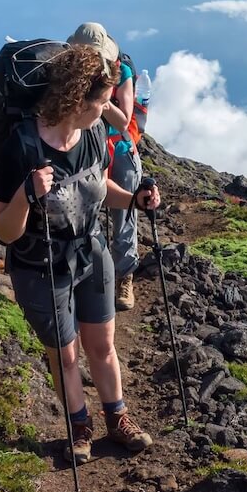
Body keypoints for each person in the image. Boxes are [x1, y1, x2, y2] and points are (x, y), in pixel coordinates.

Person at [0, 45, 157, 464]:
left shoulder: (95, 135)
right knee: (65, 353)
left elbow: (98, 192)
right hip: (39, 264)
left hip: (90, 251)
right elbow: (4, 229)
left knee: (102, 344)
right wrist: (28, 195)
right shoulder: (22, 148)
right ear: (75, 102)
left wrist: (135, 200)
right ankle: (79, 425)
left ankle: (117, 419)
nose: (106, 110)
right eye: (100, 102)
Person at [67, 22, 140, 312]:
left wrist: (101, 96)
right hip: (86, 147)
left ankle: (125, 274)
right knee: (83, 208)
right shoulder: (71, 68)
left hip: (118, 149)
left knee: (124, 210)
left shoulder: (122, 71)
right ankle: (87, 273)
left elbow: (124, 121)